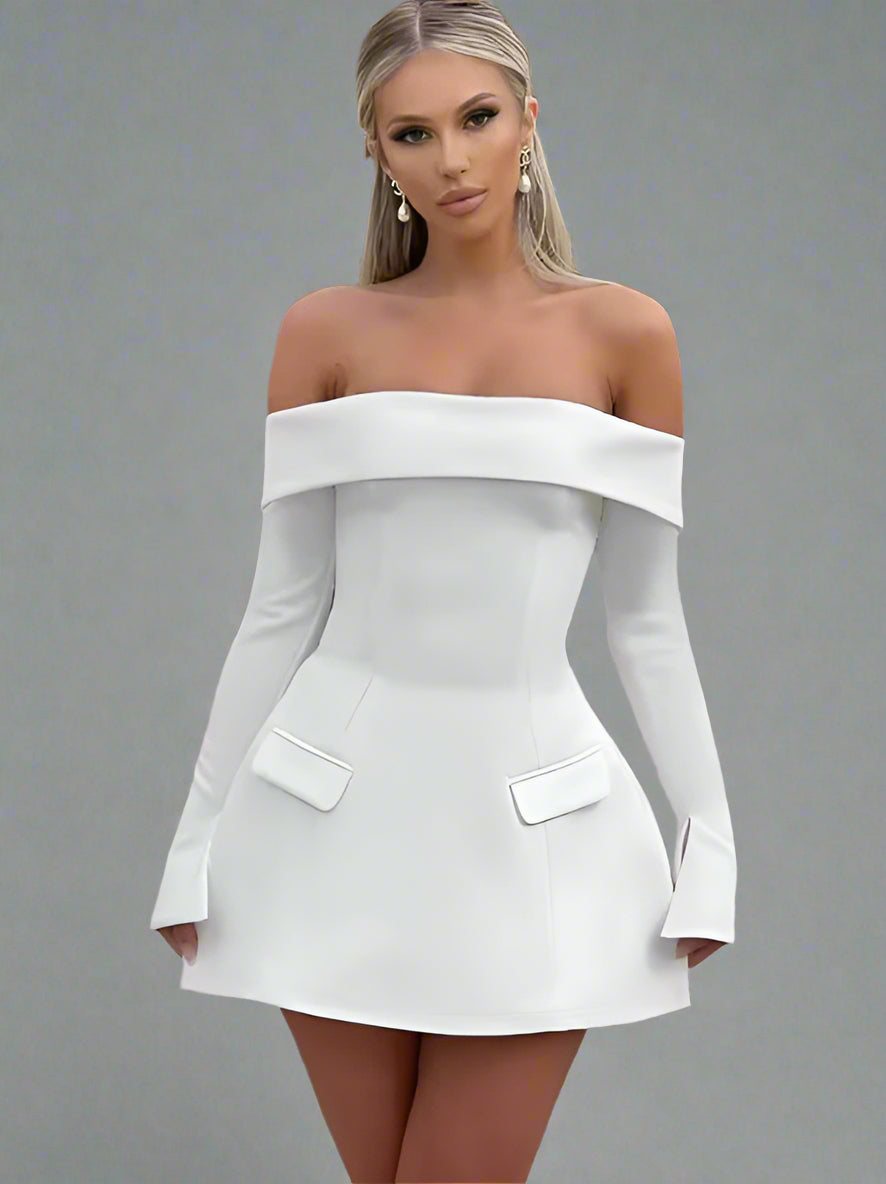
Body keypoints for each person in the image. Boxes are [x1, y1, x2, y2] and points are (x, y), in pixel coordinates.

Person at [149, 2, 737, 1181]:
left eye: (476, 118)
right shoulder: (323, 332)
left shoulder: (626, 334)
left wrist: (710, 841)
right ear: (377, 153)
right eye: (412, 133)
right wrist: (193, 835)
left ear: (528, 120)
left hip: (536, 829)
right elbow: (282, 604)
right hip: (323, 818)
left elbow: (644, 620)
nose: (452, 159)